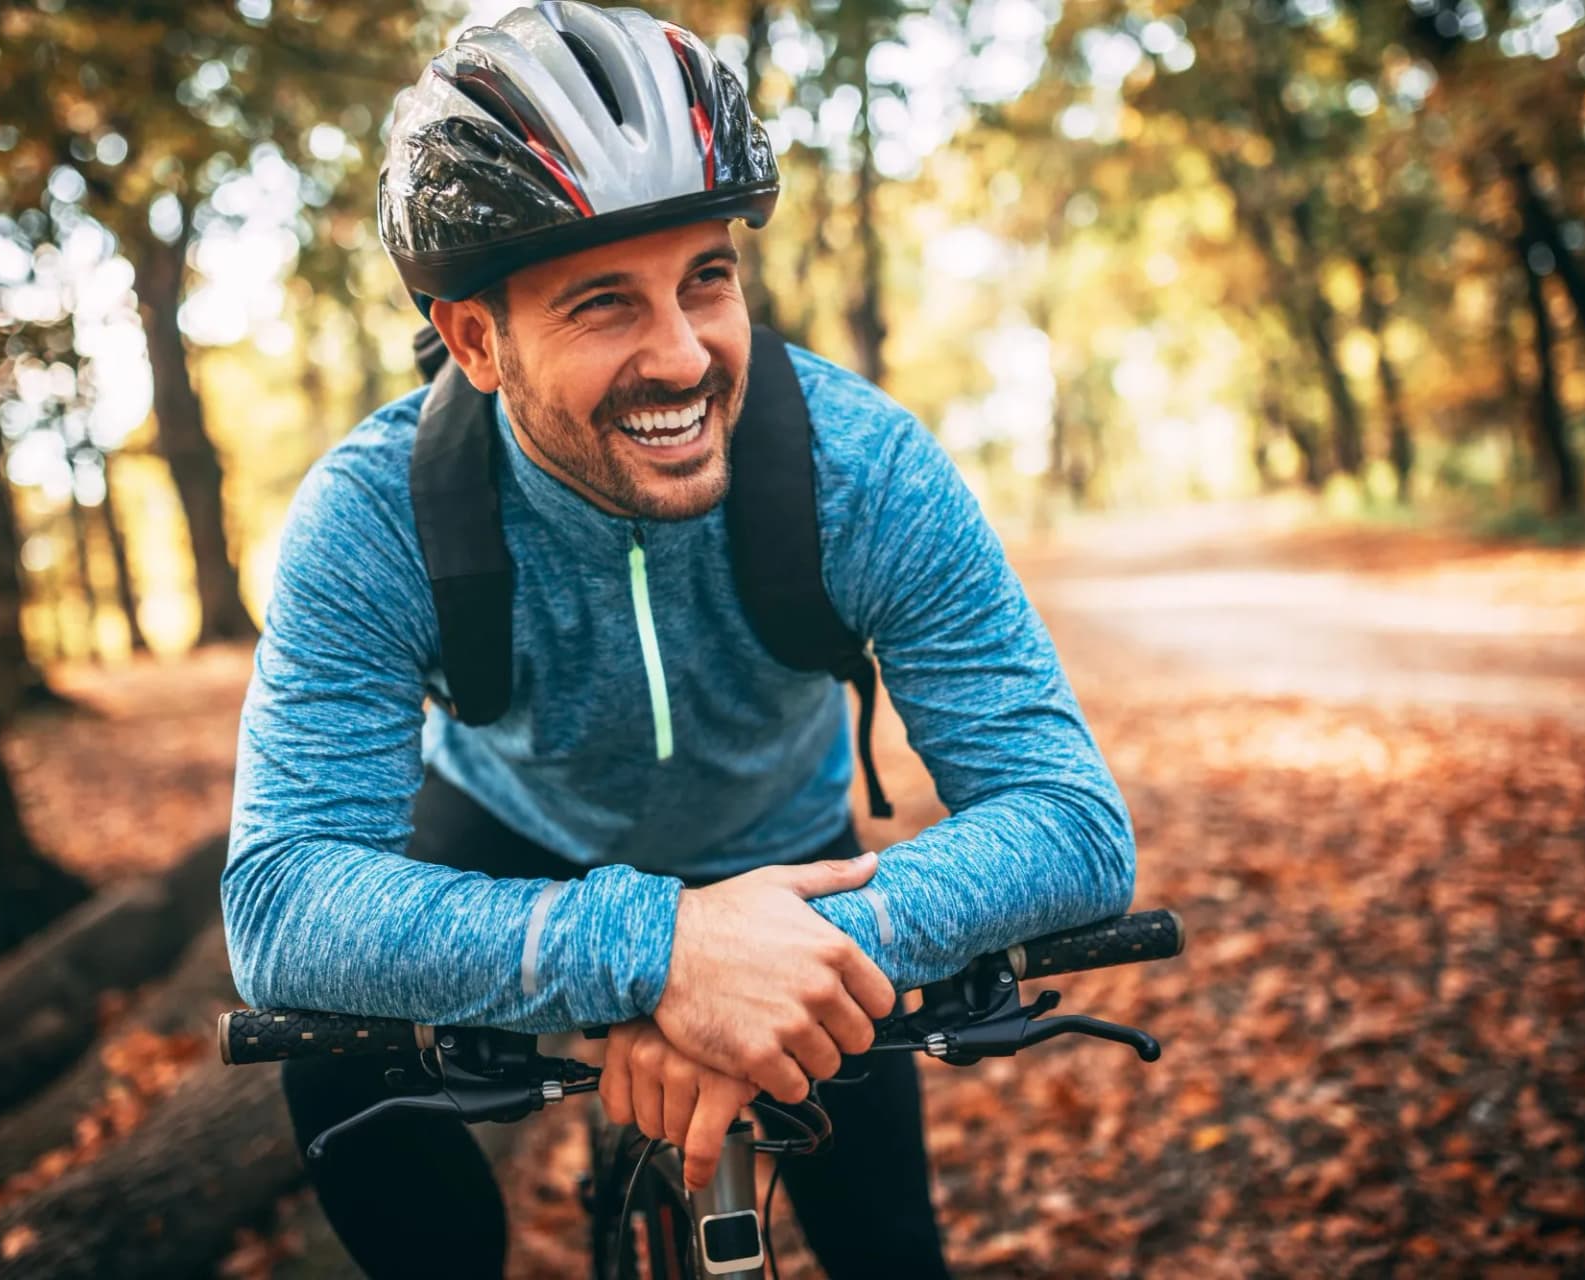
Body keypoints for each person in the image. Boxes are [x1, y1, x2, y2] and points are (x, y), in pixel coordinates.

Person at [221, 3, 1136, 1275]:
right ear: (474, 337)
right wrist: (656, 954)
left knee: (890, 1249)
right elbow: (281, 903)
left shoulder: (861, 469)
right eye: (604, 303)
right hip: (516, 842)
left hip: (794, 865)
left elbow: (1073, 819)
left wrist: (768, 963)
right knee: (332, 1063)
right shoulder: (374, 516)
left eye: (707, 277)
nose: (683, 354)